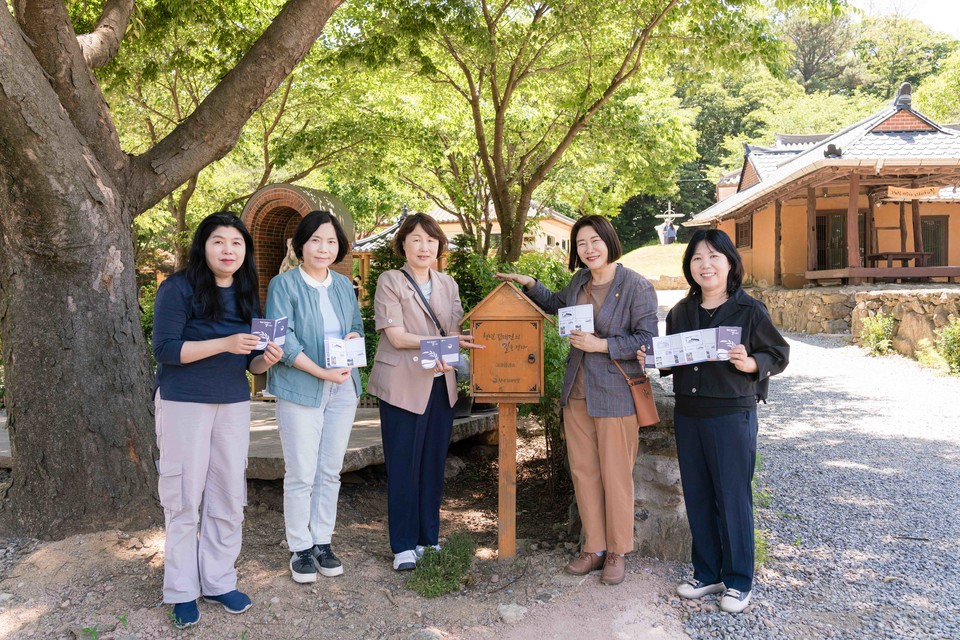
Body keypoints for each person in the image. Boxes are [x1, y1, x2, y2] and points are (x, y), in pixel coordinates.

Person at [496, 214, 658, 586]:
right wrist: (532, 284)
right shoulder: (579, 281)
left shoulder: (636, 285)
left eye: (594, 241)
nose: (588, 249)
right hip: (578, 392)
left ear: (609, 241)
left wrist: (602, 344)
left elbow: (648, 339)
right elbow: (558, 306)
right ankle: (594, 547)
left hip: (617, 392)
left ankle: (618, 550)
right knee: (583, 472)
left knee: (616, 475)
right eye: (581, 243)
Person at [152, 211, 283, 629]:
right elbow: (167, 350)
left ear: (245, 251)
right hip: (183, 402)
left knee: (228, 494)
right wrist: (222, 342)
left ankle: (219, 579)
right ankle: (182, 589)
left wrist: (266, 359)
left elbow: (253, 364)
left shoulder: (248, 293)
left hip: (233, 402)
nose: (229, 250)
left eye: (236, 243)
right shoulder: (178, 288)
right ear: (203, 246)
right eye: (219, 242)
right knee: (184, 496)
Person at [649, 228, 788, 614]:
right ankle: (707, 572)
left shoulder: (749, 310)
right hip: (689, 414)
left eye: (713, 257)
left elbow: (778, 352)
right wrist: (653, 355)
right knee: (697, 495)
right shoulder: (680, 312)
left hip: (732, 414)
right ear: (689, 266)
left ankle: (740, 580)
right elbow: (670, 360)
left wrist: (752, 362)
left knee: (733, 496)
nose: (705, 265)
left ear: (730, 263)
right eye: (697, 258)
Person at [366, 213, 482, 571]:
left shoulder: (448, 284)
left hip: (440, 383)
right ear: (403, 243)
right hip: (403, 385)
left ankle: (427, 539)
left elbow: (457, 329)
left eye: (431, 241)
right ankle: (402, 545)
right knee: (404, 465)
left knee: (432, 464)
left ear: (439, 247)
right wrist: (443, 343)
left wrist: (454, 349)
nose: (424, 246)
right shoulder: (390, 281)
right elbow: (396, 337)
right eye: (416, 239)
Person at [265, 210, 364, 584]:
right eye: (316, 240)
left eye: (331, 241)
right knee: (302, 472)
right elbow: (283, 340)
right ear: (300, 245)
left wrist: (354, 339)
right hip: (301, 387)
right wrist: (321, 371)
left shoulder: (341, 284)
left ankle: (322, 541)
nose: (324, 248)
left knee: (330, 471)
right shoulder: (284, 285)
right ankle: (300, 547)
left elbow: (354, 324)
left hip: (344, 388)